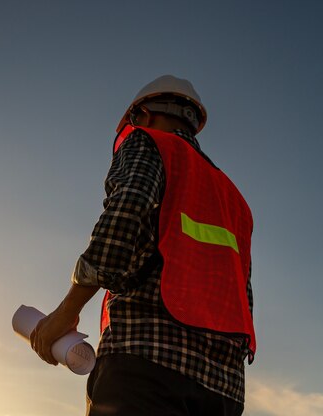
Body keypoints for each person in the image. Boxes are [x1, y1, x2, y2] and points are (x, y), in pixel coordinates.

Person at [30, 75, 255, 416]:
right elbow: (241, 295)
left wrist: (66, 313)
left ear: (143, 116)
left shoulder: (150, 143)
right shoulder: (234, 199)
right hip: (224, 389)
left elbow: (122, 223)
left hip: (146, 366)